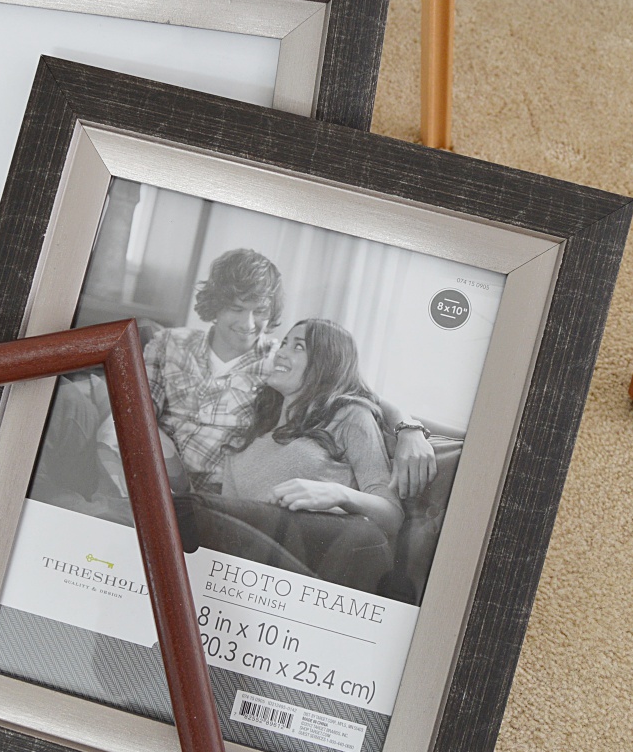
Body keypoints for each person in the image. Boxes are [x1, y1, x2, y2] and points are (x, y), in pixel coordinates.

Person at [140, 248, 437, 498]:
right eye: (237, 309)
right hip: (153, 471)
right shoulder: (169, 344)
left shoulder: (282, 365)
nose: (248, 324)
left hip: (216, 497)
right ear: (215, 306)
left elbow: (356, 391)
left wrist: (409, 430)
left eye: (260, 311)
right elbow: (138, 414)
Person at [177, 319, 402, 594]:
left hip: (322, 553)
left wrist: (338, 494)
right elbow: (228, 521)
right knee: (177, 515)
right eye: (284, 343)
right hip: (257, 562)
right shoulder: (249, 436)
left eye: (298, 347)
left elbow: (392, 515)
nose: (281, 352)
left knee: (185, 510)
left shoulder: (349, 416)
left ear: (325, 362)